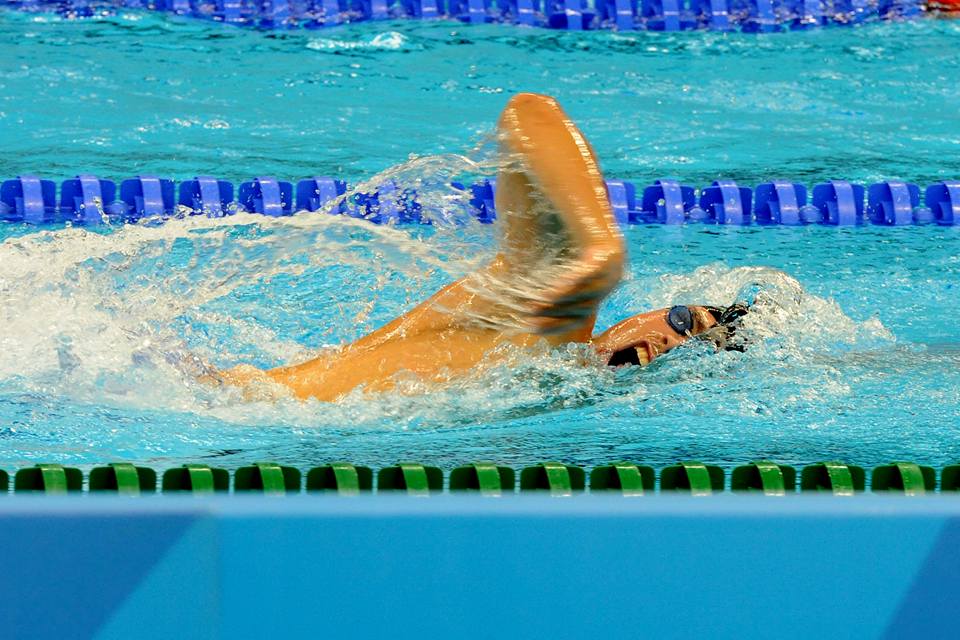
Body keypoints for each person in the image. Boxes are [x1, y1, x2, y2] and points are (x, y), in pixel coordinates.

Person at [220, 93, 747, 401]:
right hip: (220, 405)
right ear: (646, 313)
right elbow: (530, 112)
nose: (669, 344)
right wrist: (599, 251)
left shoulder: (542, 388)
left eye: (694, 352)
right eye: (683, 321)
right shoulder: (542, 312)